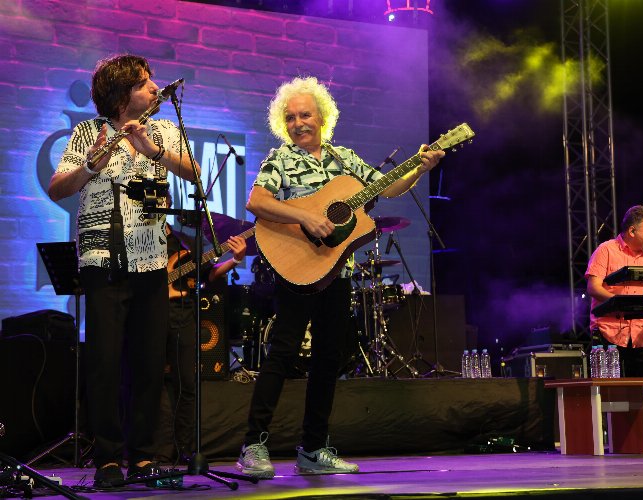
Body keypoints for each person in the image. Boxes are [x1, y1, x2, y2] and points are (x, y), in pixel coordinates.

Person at [237, 76, 445, 478]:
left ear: (322, 117)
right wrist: (305, 217)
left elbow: (389, 187)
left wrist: (419, 168)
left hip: (338, 270)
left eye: (305, 115)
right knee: (282, 354)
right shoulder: (281, 159)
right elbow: (257, 201)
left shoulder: (345, 159)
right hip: (296, 268)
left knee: (328, 359)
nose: (298, 123)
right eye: (290, 117)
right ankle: (253, 446)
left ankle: (313, 449)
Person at [47, 54, 199, 487]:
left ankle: (144, 458)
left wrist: (154, 150)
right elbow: (58, 188)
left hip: (151, 261)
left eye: (152, 81)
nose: (154, 87)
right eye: (143, 82)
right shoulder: (87, 132)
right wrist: (90, 165)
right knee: (105, 363)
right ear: (120, 94)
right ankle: (108, 459)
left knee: (149, 364)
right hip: (102, 261)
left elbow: (195, 173)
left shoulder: (164, 129)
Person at [156, 200, 248, 463]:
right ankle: (152, 451)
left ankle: (183, 449)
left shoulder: (184, 241)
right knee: (151, 384)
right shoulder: (141, 241)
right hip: (151, 315)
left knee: (187, 384)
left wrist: (236, 259)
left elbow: (210, 274)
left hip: (183, 314)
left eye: (162, 200)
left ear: (168, 204)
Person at [585, 205, 643, 427]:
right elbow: (593, 287)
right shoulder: (606, 250)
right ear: (632, 231)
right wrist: (621, 304)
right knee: (612, 390)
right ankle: (609, 433)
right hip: (609, 331)